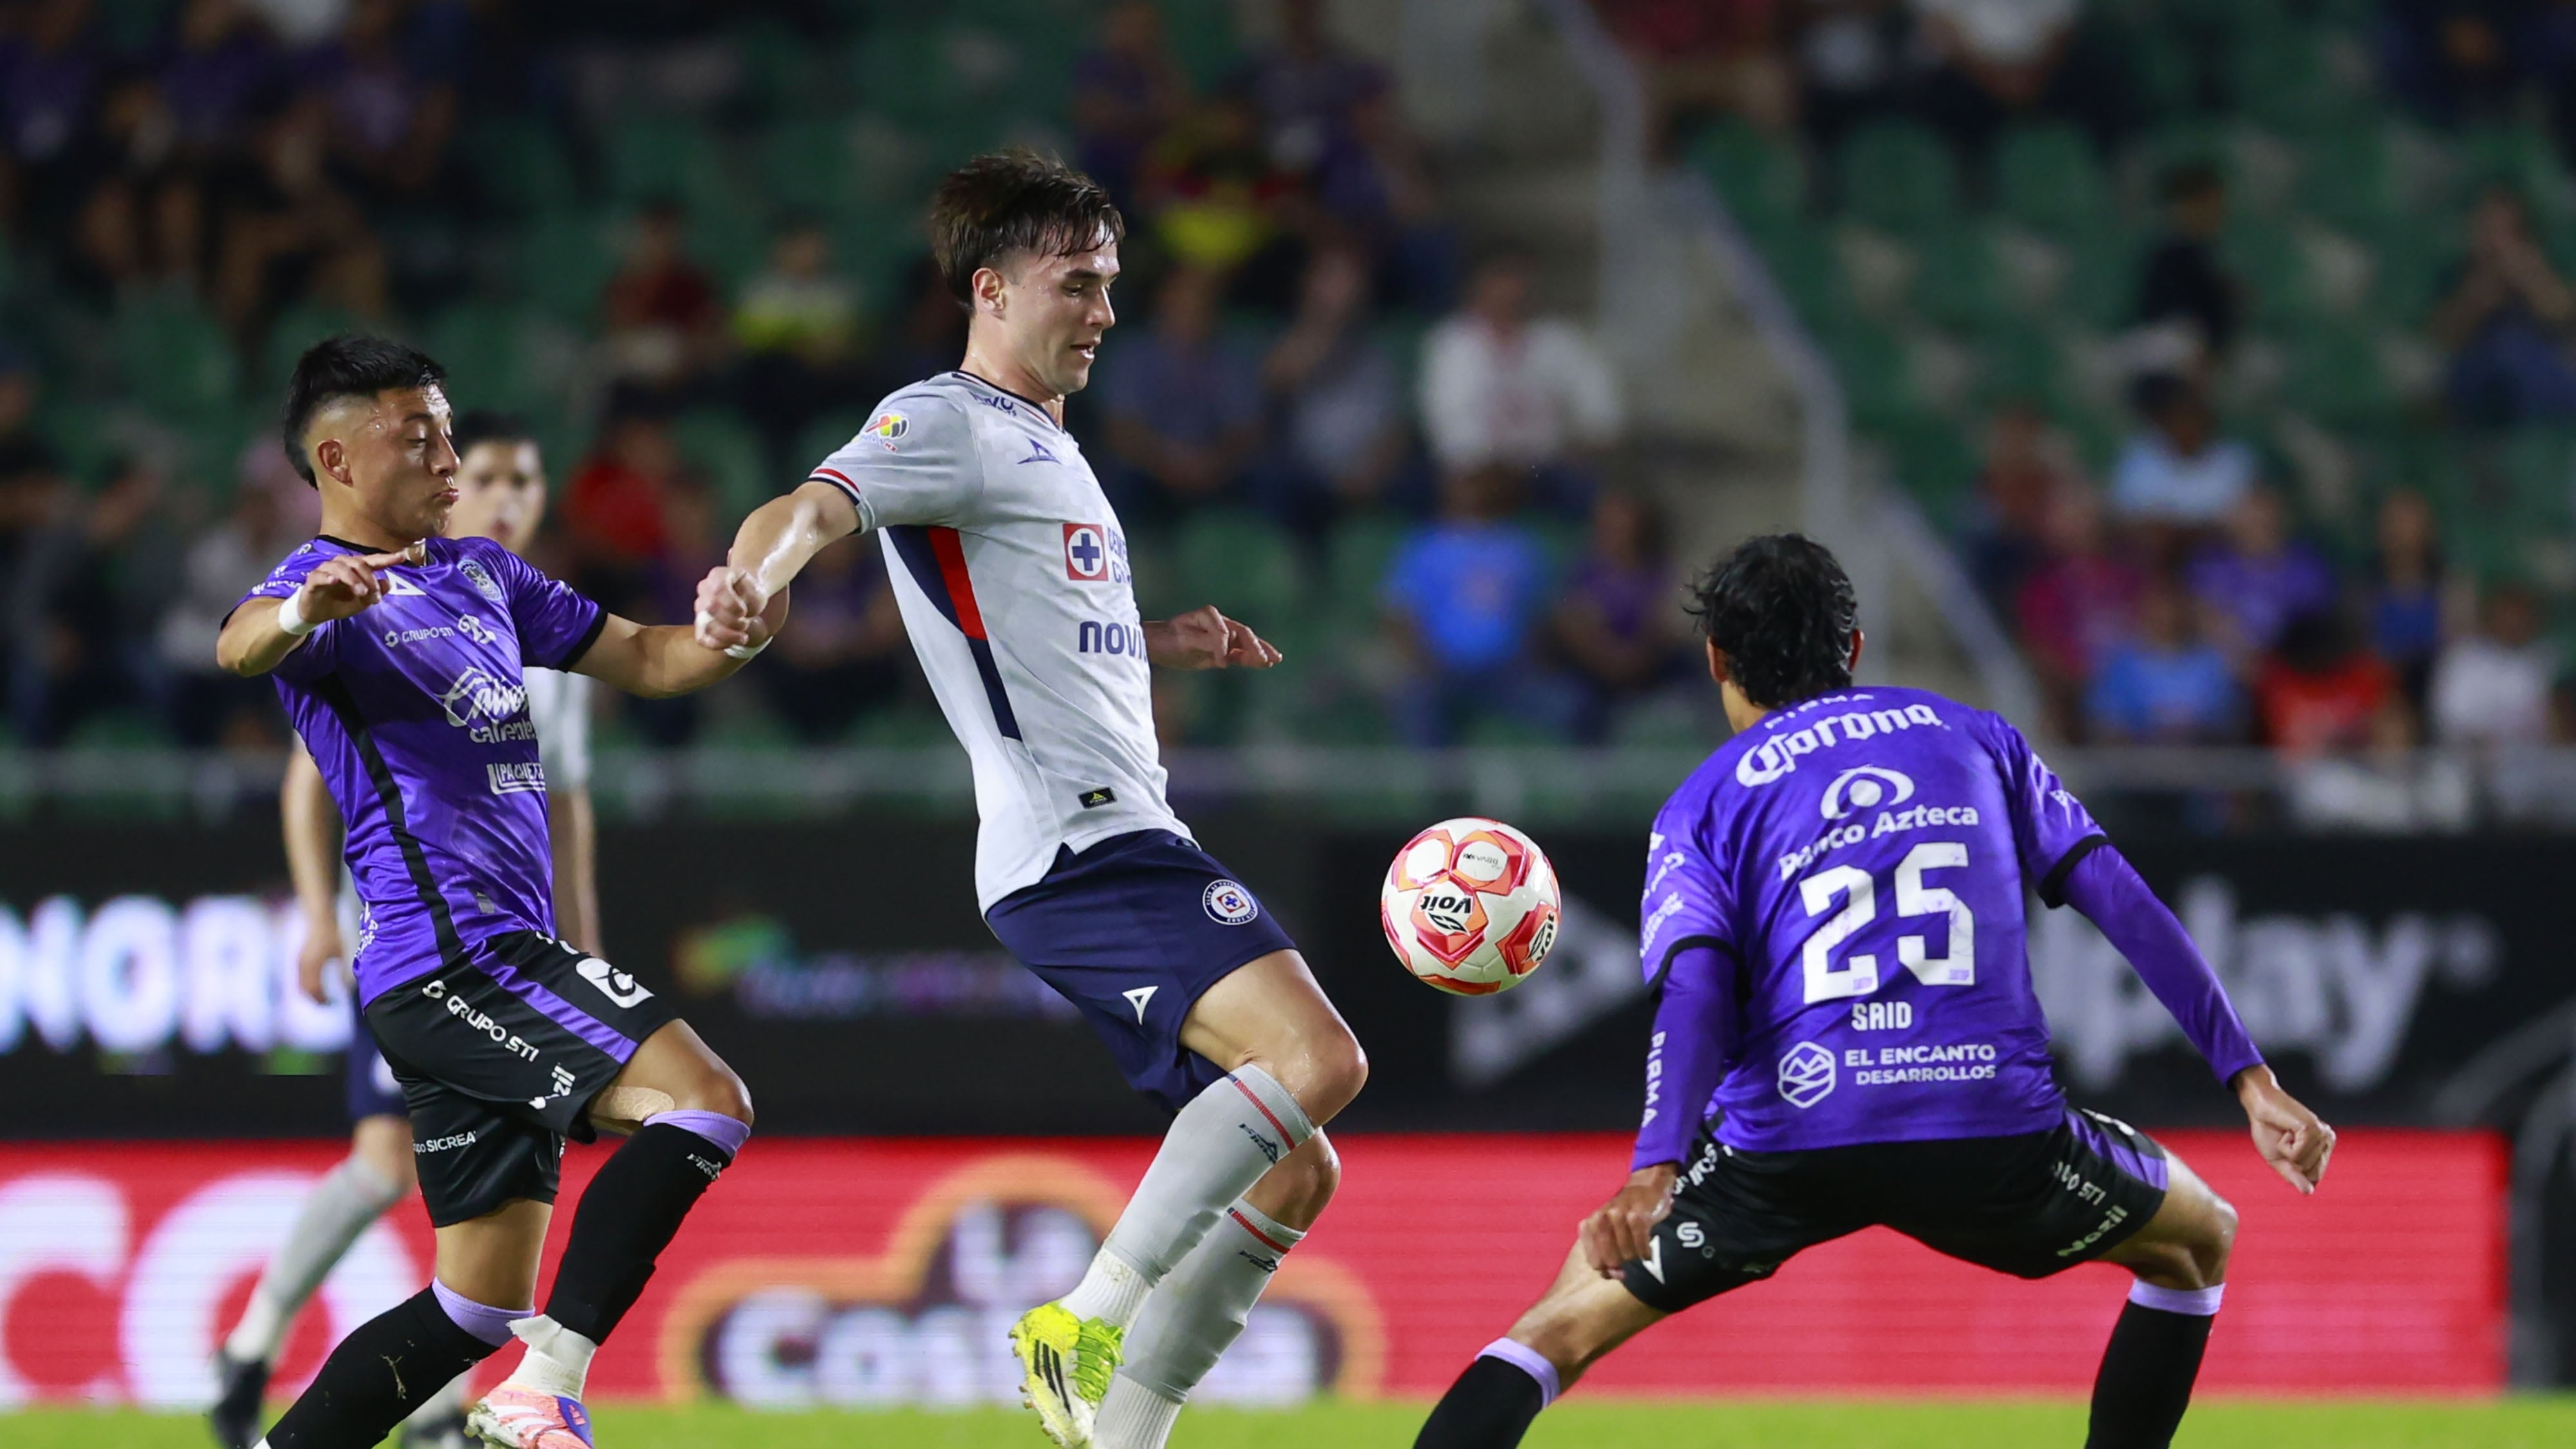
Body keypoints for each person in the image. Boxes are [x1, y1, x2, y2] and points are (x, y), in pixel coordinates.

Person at [694, 150, 1367, 1449]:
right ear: (989, 289)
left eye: (1112, 285)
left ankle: (1120, 1437)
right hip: (1079, 842)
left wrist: (1167, 637)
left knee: (1291, 1163)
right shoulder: (941, 421)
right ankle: (1083, 1314)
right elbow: (812, 505)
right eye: (1078, 285)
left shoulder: (1044, 445)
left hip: (1116, 831)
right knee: (1320, 1060)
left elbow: (1038, 624)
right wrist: (748, 576)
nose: (1104, 312)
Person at [1409, 533, 2333, 1449]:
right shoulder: (1977, 738)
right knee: (2198, 1236)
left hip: (1786, 1141)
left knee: (1557, 1328)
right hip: (1987, 1128)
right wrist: (2249, 1079)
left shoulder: (1706, 800)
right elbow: (2122, 899)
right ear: (1851, 649)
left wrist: (1654, 1167)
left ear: (1716, 660)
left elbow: (1697, 985)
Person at [216, 336, 774, 1449]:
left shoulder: (483, 574)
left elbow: (652, 659)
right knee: (707, 1101)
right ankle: (544, 1387)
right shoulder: (315, 597)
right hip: (454, 958)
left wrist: (728, 637)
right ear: (335, 458)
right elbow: (237, 648)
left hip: (486, 958)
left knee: (473, 1303)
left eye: (450, 432)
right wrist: (303, 611)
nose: (450, 459)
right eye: (417, 437)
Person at [207, 412, 593, 1449]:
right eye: (488, 474)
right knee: (387, 1163)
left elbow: (566, 811)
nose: (503, 493)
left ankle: (417, 1401)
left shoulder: (529, 615)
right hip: (417, 943)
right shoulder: (376, 602)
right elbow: (307, 774)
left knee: (470, 1198)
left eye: (524, 477)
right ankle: (254, 1343)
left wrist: (582, 946)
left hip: (514, 947)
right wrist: (320, 914)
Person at [1419, 250, 1622, 510]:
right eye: (1500, 279)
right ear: (1478, 285)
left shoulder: (1561, 341)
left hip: (1544, 468)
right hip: (1476, 470)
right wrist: (1487, 464)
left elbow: (1603, 413)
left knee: (1598, 495)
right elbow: (1446, 421)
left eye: (1517, 279)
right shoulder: (1451, 343)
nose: (1510, 291)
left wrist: (1582, 447)